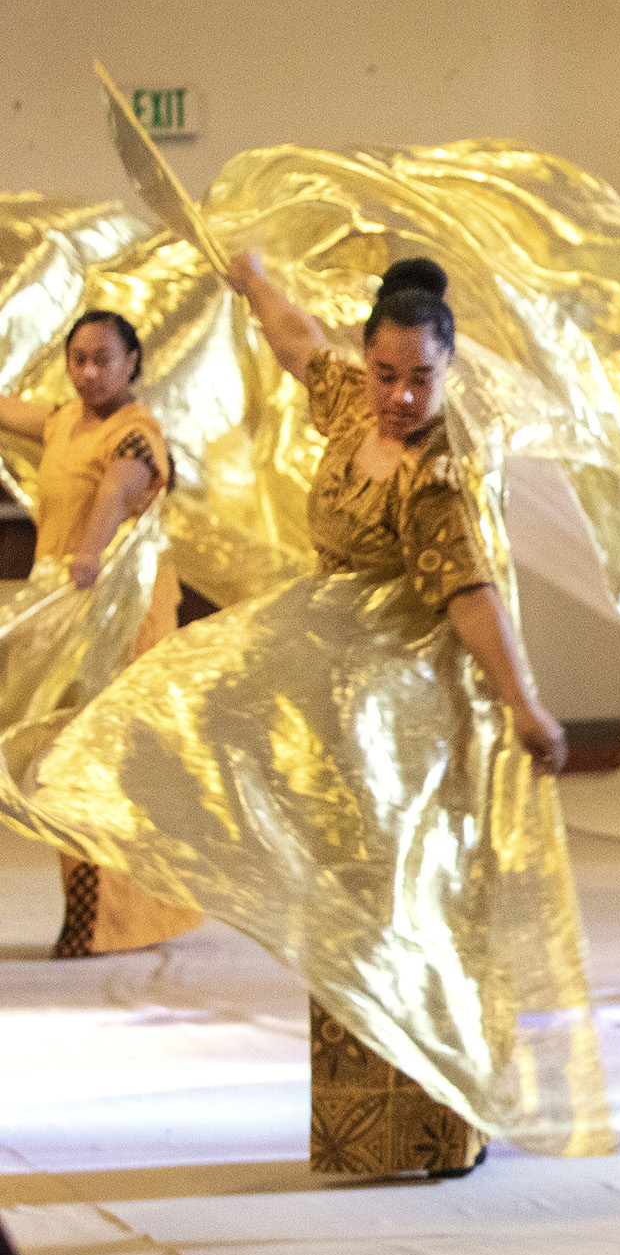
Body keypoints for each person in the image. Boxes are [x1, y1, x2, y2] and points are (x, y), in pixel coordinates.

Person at [226, 253, 569, 1179]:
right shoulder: (348, 406)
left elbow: (469, 595)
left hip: (412, 726)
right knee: (345, 909)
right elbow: (299, 346)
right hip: (341, 711)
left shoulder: (438, 474)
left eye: (421, 377)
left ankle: (437, 1125)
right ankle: (361, 1129)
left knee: (413, 910)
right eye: (386, 374)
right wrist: (252, 278)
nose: (400, 396)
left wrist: (524, 703)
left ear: (447, 371)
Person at [0, 313, 203, 957]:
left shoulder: (138, 435)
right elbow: (9, 413)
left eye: (103, 360)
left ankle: (104, 922)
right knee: (67, 764)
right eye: (78, 359)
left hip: (120, 619)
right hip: (69, 613)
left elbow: (115, 494)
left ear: (133, 362)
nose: (89, 373)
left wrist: (84, 558)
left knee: (105, 766)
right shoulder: (65, 420)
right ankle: (104, 918)